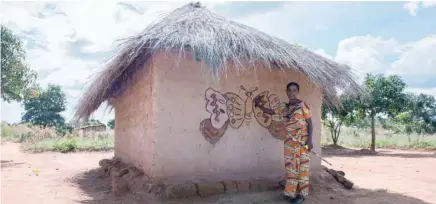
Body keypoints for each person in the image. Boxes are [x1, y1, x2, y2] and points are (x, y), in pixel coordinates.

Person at [254, 82, 313, 204]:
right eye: (289, 90)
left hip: (302, 142)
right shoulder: (283, 107)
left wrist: (310, 140)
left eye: (294, 90)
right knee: (291, 168)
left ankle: (302, 195)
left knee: (303, 168)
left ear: (298, 92)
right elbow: (271, 112)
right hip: (290, 143)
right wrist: (259, 106)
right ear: (287, 92)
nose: (292, 93)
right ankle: (291, 193)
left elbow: (310, 123)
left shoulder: (303, 105)